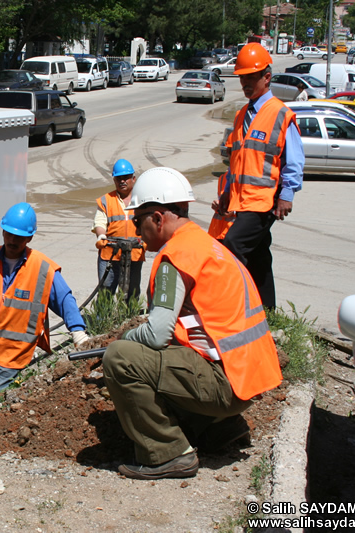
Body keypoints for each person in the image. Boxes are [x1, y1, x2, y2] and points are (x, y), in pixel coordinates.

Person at [103, 167, 282, 480]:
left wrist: (126, 337)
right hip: (247, 379)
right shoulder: (207, 244)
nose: (136, 230)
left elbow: (157, 334)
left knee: (120, 358)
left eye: (138, 221)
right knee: (166, 359)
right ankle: (219, 429)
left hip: (225, 383)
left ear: (158, 218)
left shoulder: (177, 255)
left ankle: (168, 453)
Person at [0, 202, 90, 398]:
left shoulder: (42, 268)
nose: (13, 240)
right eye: (9, 234)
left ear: (29, 238)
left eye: (19, 237)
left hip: (13, 354)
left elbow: (65, 299)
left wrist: (78, 332)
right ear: (3, 232)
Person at [215, 42, 304, 309]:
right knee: (259, 255)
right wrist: (225, 196)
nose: (246, 83)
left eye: (251, 77)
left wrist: (286, 195)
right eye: (242, 78)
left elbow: (294, 161)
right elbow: (237, 163)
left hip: (264, 201)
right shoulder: (242, 115)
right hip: (241, 201)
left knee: (232, 246)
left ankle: (234, 310)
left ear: (267, 77)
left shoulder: (280, 113)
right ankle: (267, 311)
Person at [92, 159, 147, 300]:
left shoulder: (143, 200)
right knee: (106, 292)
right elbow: (100, 221)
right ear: (114, 180)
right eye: (119, 178)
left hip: (134, 253)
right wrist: (101, 235)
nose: (122, 181)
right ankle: (103, 320)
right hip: (110, 254)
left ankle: (130, 320)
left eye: (126, 178)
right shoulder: (106, 200)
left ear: (133, 179)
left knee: (132, 292)